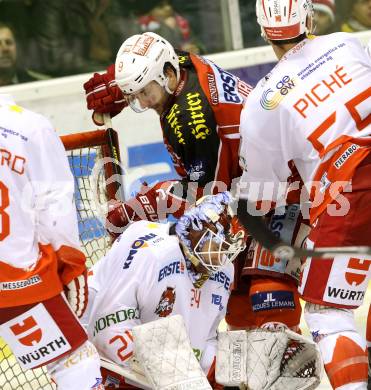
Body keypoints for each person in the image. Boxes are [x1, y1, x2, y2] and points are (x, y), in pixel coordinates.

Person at [83, 31, 305, 335]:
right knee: (236, 291)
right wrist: (124, 81)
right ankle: (250, 373)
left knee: (269, 289)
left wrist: (144, 204)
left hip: (286, 187)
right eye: (136, 96)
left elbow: (210, 201)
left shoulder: (191, 120)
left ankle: (288, 367)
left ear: (168, 74)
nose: (144, 103)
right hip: (255, 184)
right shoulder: (179, 64)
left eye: (146, 92)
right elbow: (158, 49)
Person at [237, 0, 371, 389]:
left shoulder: (263, 102)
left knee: (329, 312)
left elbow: (262, 196)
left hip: (351, 189)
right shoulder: (347, 46)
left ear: (263, 32)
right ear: (309, 18)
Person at [83, 192, 246, 388]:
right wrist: (173, 375)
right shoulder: (150, 252)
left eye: (228, 251)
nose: (221, 258)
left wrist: (220, 376)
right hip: (96, 357)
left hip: (162, 369)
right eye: (219, 246)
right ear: (197, 230)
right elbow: (107, 329)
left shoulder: (224, 270)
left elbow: (206, 339)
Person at [0, 95, 103, 390]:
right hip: (16, 283)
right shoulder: (29, 128)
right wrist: (71, 265)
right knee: (75, 359)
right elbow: (53, 208)